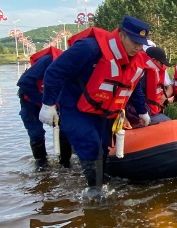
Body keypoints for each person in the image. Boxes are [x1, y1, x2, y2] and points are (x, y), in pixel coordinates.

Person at [39, 16, 151, 196]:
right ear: (121, 35)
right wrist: (48, 104)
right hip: (75, 105)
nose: (138, 47)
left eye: (141, 43)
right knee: (90, 144)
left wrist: (142, 110)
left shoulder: (135, 59)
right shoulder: (89, 48)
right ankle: (95, 192)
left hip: (103, 110)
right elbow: (55, 71)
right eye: (134, 41)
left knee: (103, 147)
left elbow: (133, 84)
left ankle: (99, 185)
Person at [17, 45, 72, 169]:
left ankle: (65, 165)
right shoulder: (48, 61)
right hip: (30, 98)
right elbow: (24, 82)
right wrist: (45, 104)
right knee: (36, 133)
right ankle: (41, 165)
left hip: (54, 99)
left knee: (65, 129)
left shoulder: (79, 67)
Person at [126, 46, 174, 125]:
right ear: (154, 60)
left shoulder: (149, 71)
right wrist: (143, 113)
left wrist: (164, 97)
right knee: (169, 123)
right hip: (139, 114)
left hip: (149, 111)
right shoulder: (142, 73)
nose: (162, 66)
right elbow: (136, 96)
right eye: (161, 63)